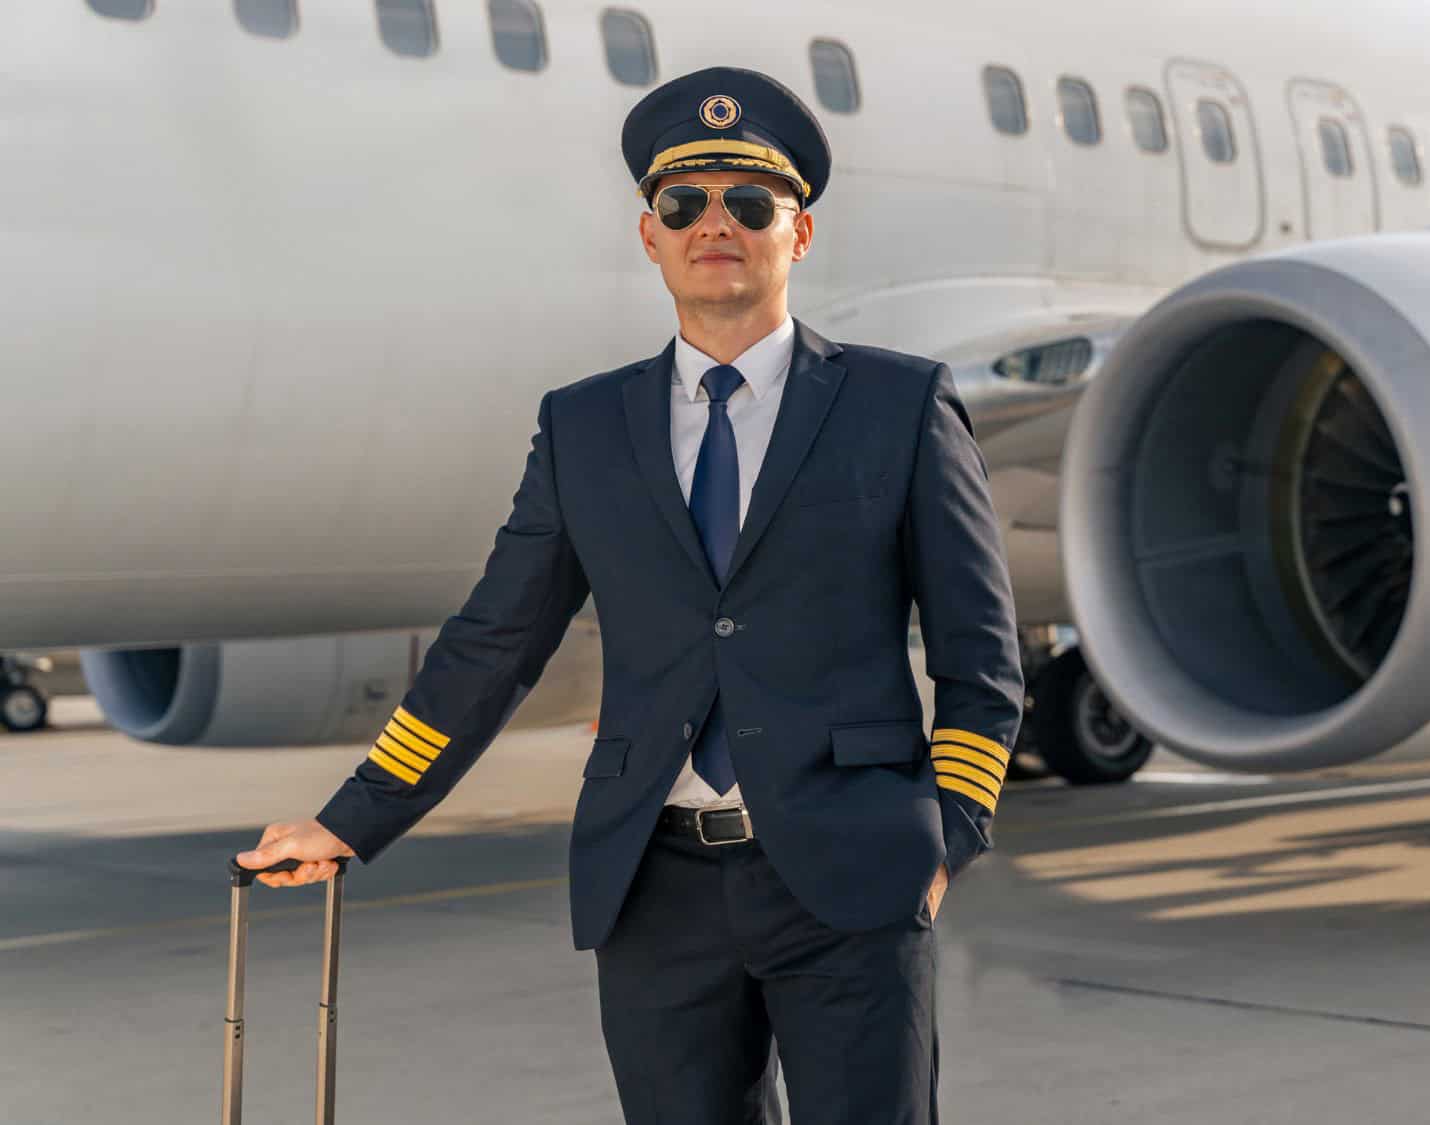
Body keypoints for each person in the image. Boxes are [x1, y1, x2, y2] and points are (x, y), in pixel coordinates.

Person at [234, 64, 1024, 1125]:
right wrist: (351, 820)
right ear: (648, 235)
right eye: (682, 204)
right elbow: (492, 645)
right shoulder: (584, 428)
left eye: (750, 204)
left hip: (852, 881)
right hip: (653, 892)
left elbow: (982, 657)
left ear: (798, 234)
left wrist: (948, 837)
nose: (716, 225)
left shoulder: (900, 403)